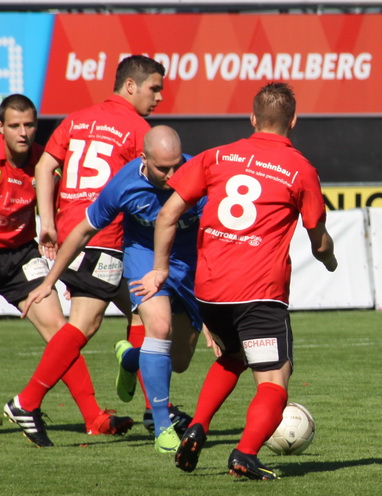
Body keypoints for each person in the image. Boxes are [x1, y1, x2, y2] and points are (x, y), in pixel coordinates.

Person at [131, 83, 337, 479]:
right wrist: (330, 259)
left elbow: (167, 214)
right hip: (258, 293)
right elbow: (319, 240)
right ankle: (245, 453)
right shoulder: (301, 170)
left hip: (210, 292)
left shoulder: (215, 156)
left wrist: (159, 268)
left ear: (252, 118)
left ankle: (197, 426)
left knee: (233, 357)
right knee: (274, 380)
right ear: (294, 120)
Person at [0, 94, 126, 443]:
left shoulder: (45, 164)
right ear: (0, 127)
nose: (23, 132)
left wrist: (66, 272)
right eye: (15, 125)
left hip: (20, 255)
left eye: (29, 125)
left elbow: (63, 215)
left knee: (59, 330)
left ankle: (94, 417)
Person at [3, 55, 172, 447]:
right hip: (104, 235)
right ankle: (26, 402)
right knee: (85, 324)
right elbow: (152, 185)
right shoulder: (138, 129)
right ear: (130, 85)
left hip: (73, 234)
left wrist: (47, 222)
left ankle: (154, 410)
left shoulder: (76, 119)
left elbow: (44, 167)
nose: (159, 97)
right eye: (154, 88)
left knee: (144, 312)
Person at [22, 125, 211, 453]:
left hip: (187, 265)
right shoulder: (124, 184)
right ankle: (162, 427)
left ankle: (132, 357)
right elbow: (83, 231)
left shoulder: (198, 177)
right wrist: (49, 281)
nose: (172, 175)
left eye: (176, 165)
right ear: (144, 159)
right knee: (159, 328)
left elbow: (215, 238)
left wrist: (212, 304)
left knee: (179, 361)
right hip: (144, 258)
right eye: (162, 168)